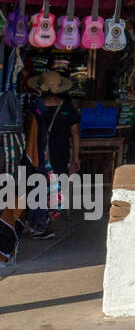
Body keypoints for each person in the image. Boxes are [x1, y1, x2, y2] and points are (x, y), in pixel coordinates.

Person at [26, 71, 80, 239]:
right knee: (55, 186)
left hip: (37, 154)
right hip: (60, 153)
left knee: (37, 186)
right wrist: (75, 158)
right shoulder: (67, 107)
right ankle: (46, 220)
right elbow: (75, 133)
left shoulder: (34, 106)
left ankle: (41, 223)